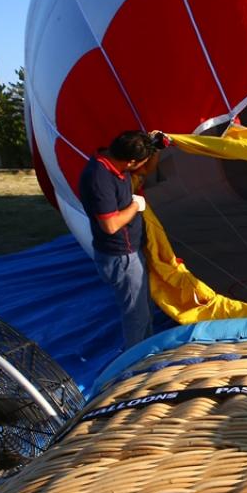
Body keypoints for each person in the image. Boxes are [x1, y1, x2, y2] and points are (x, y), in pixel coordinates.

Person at [78, 130, 165, 349]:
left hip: (131, 252)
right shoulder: (100, 178)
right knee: (135, 314)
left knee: (144, 309)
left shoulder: (116, 162)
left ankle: (146, 350)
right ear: (130, 161)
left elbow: (146, 169)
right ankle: (134, 361)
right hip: (120, 257)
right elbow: (110, 225)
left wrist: (156, 148)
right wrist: (136, 205)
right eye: (140, 161)